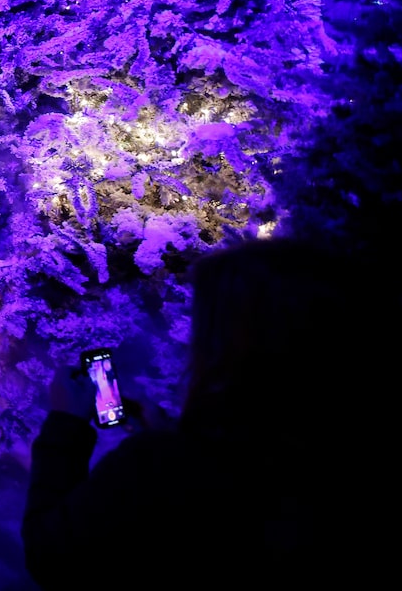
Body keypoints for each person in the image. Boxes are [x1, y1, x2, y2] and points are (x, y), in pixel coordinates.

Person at [20, 236, 391, 589]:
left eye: (202, 329)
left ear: (233, 347)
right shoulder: (340, 461)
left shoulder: (158, 468)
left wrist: (65, 427)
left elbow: (50, 557)